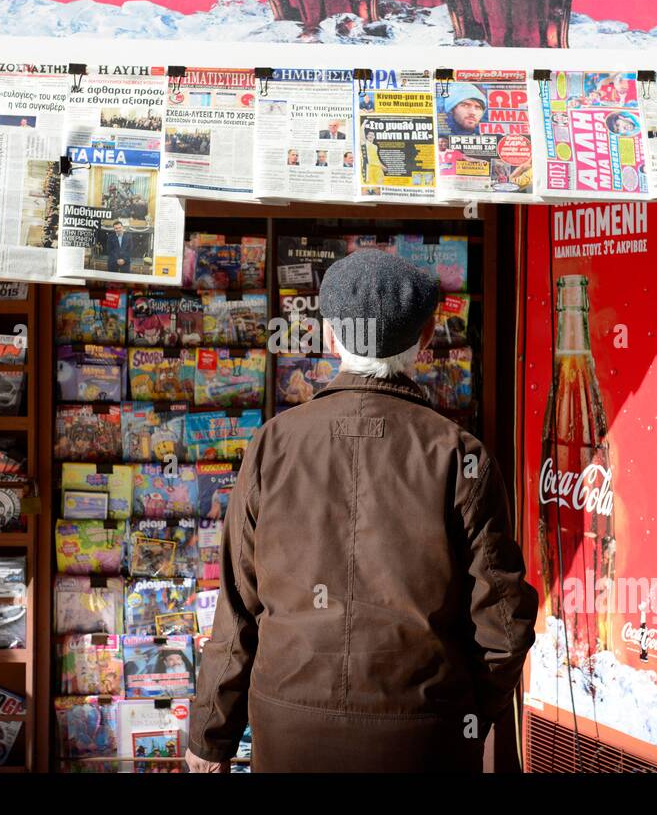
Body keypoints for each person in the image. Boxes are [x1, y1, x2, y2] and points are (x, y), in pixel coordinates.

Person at [186, 250, 537, 773]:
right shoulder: (460, 454)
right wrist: (462, 717)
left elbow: (238, 609)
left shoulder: (272, 445)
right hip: (422, 736)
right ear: (423, 340)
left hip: (290, 733)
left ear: (331, 338)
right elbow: (504, 627)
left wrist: (209, 737)